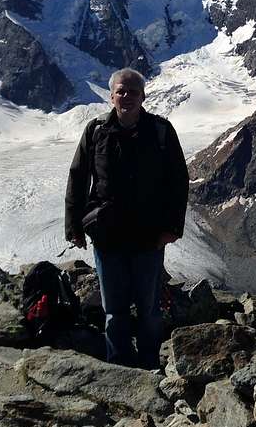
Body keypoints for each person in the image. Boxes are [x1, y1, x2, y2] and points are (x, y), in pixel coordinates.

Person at [64, 68, 188, 368]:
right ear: (111, 96)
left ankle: (148, 366)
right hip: (108, 235)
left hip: (148, 236)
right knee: (114, 309)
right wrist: (74, 227)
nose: (127, 96)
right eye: (121, 91)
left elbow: (178, 180)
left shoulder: (161, 131)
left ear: (144, 96)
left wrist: (173, 228)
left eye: (133, 91)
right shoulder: (95, 131)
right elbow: (78, 177)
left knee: (148, 309)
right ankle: (118, 366)